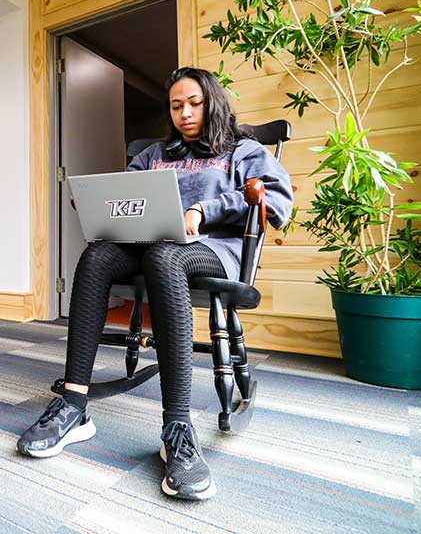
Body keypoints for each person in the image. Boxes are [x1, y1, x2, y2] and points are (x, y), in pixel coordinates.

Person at [16, 67, 294, 501]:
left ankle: (176, 427)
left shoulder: (243, 149)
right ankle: (73, 405)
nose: (184, 113)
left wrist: (203, 210)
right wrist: (100, 205)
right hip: (149, 243)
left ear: (213, 102)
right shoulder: (156, 154)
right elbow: (128, 193)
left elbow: (277, 200)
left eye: (194, 103)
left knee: (166, 256)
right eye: (176, 105)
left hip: (210, 250)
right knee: (96, 256)